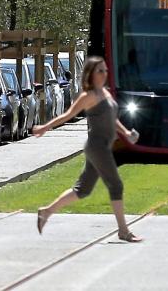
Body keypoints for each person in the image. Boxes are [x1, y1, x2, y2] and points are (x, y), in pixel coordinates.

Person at [33, 56, 143, 242]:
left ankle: (46, 211)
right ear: (91, 74)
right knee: (116, 185)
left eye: (106, 70)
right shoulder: (88, 96)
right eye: (100, 71)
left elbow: (112, 119)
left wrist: (126, 133)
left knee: (83, 190)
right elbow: (68, 115)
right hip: (97, 146)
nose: (104, 74)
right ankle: (123, 231)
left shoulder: (105, 93)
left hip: (102, 145)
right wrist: (45, 127)